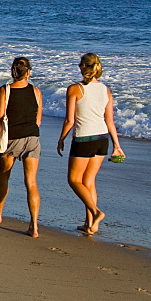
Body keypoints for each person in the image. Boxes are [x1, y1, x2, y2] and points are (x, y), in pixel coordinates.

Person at [57, 53, 125, 235]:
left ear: (84, 67)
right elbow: (110, 121)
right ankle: (90, 225)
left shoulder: (75, 89)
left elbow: (70, 121)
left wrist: (61, 138)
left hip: (83, 139)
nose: (79, 67)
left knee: (74, 180)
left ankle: (96, 212)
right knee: (89, 181)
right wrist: (117, 146)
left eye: (81, 64)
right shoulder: (105, 90)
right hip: (102, 139)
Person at [0, 57, 44, 237]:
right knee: (31, 183)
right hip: (33, 138)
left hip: (11, 140)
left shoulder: (5, 90)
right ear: (28, 73)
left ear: (13, 72)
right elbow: (38, 120)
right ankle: (34, 226)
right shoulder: (37, 91)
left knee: (4, 175)